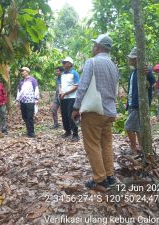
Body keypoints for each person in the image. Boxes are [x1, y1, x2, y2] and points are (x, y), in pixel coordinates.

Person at [71, 34, 119, 190]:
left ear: (97, 46)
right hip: (109, 110)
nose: (93, 47)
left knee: (92, 144)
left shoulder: (91, 62)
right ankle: (110, 176)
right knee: (106, 143)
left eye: (94, 45)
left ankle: (100, 180)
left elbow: (83, 86)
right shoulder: (113, 65)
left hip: (94, 110)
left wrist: (76, 107)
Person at [124, 47, 156, 155]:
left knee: (128, 126)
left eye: (131, 58)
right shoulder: (134, 71)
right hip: (132, 103)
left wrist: (147, 73)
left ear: (136, 59)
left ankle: (133, 148)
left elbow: (153, 81)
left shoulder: (145, 70)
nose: (129, 60)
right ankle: (142, 148)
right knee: (137, 128)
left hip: (138, 104)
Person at [60, 57, 80, 141]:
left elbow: (76, 86)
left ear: (70, 64)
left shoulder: (74, 73)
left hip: (72, 97)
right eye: (63, 62)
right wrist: (60, 92)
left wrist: (65, 93)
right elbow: (61, 85)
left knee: (71, 115)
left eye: (65, 62)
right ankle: (67, 131)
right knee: (64, 115)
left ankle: (75, 134)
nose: (63, 64)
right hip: (63, 98)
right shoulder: (63, 74)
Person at [16, 67, 39, 138]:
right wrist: (17, 99)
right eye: (21, 71)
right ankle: (28, 130)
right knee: (24, 116)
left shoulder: (32, 80)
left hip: (30, 101)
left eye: (23, 71)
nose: (22, 72)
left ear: (27, 72)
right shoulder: (21, 81)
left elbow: (36, 89)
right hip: (23, 101)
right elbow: (19, 91)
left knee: (30, 117)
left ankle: (31, 132)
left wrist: (36, 98)